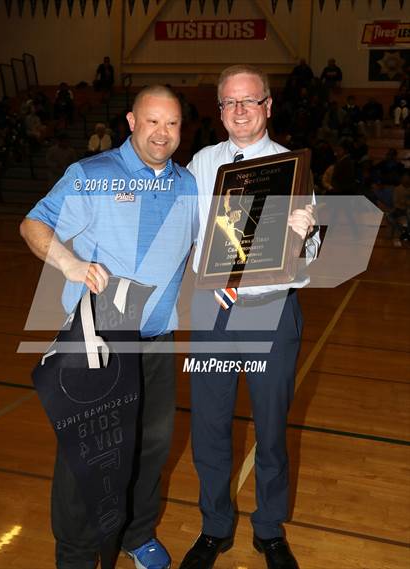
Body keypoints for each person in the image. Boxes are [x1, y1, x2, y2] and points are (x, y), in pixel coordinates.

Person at [20, 85, 198, 569]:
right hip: (100, 341)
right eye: (153, 121)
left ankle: (137, 535)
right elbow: (34, 225)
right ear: (131, 121)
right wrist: (69, 264)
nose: (162, 133)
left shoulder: (187, 184)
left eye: (173, 123)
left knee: (150, 448)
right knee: (87, 460)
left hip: (158, 343)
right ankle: (76, 557)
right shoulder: (91, 175)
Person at [180, 65, 318, 569]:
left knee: (271, 429)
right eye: (229, 103)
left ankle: (269, 529)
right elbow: (184, 231)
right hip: (213, 316)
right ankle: (214, 526)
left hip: (271, 314)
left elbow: (315, 254)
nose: (239, 111)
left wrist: (308, 234)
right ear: (219, 111)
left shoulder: (292, 168)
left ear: (267, 106)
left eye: (249, 101)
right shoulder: (201, 164)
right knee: (211, 427)